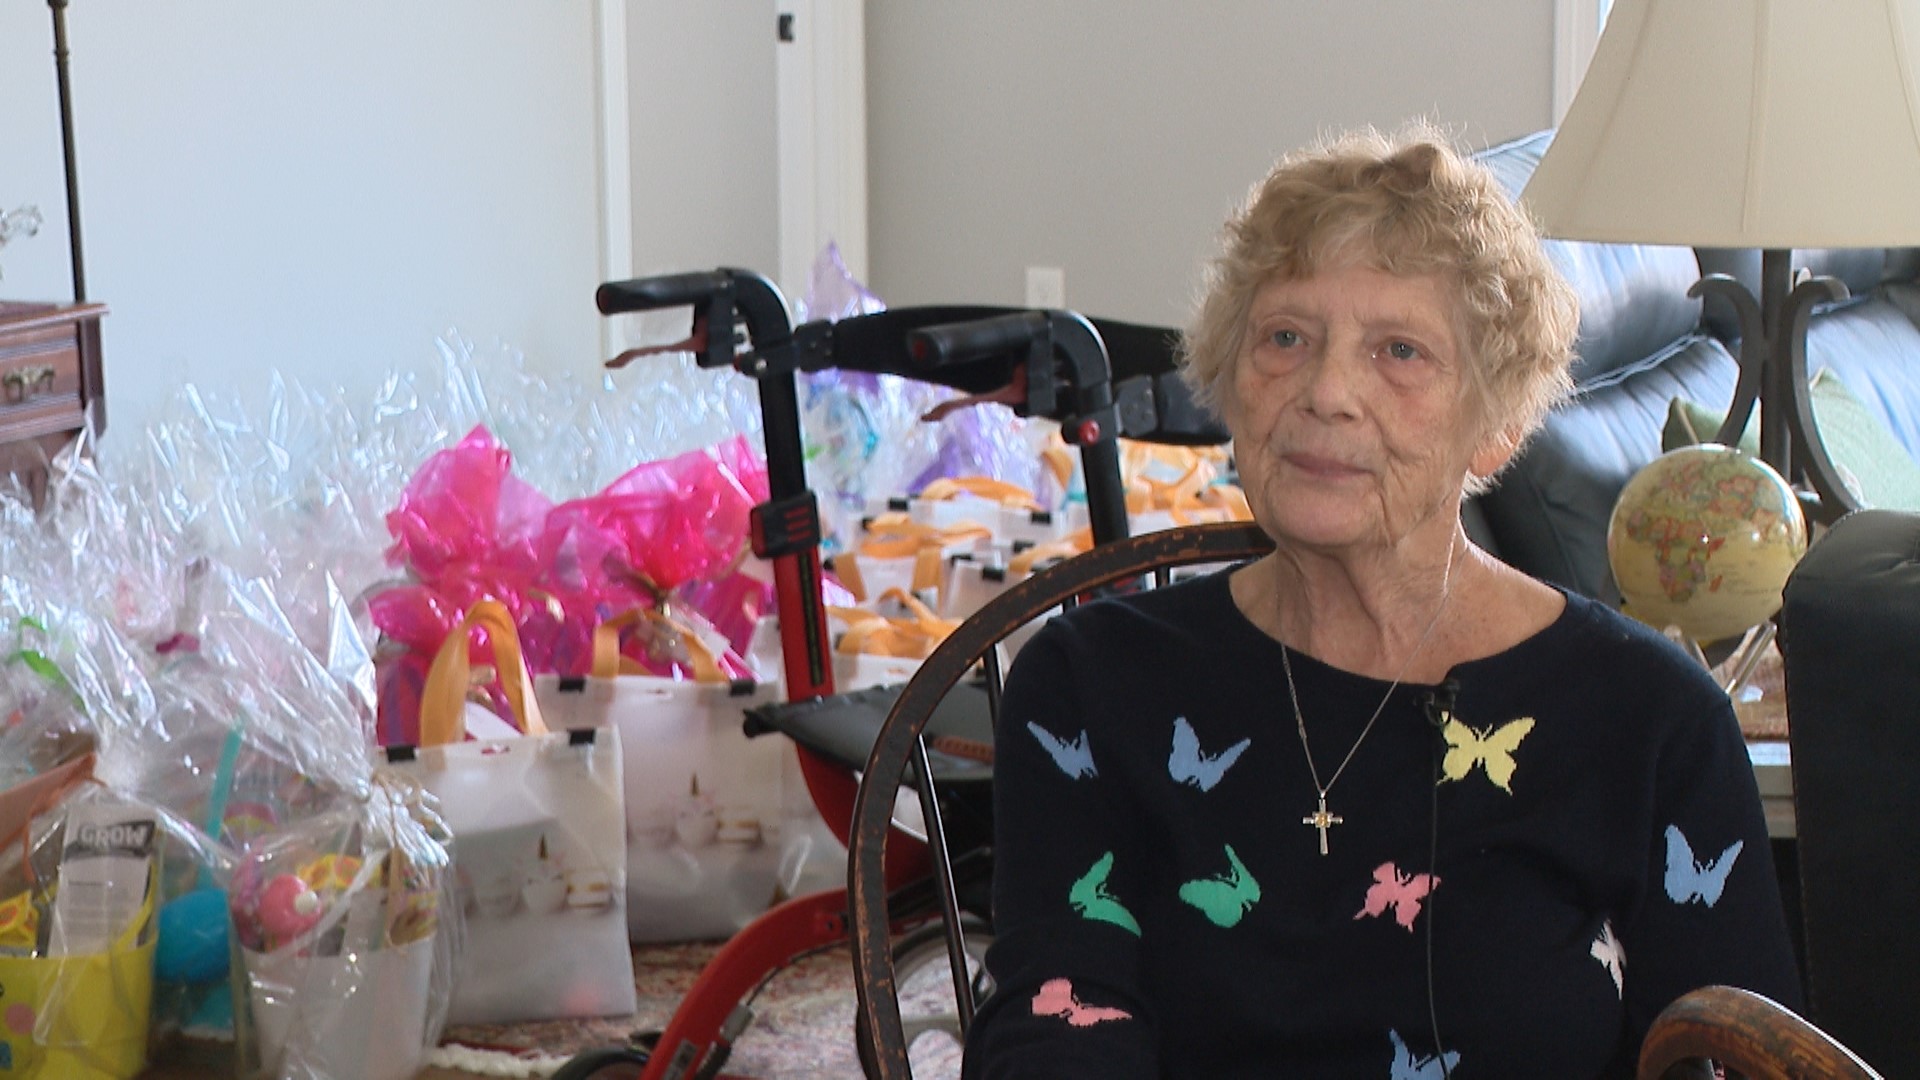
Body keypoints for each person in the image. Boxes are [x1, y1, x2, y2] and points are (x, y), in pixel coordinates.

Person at [961, 124, 1801, 1078]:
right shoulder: (1094, 685)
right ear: (1227, 382)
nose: (1326, 392)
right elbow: (1056, 1017)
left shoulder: (1648, 725)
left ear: (1495, 427)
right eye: (1285, 338)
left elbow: (1738, 1057)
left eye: (1399, 352)